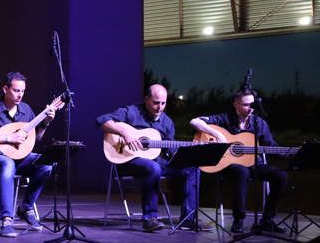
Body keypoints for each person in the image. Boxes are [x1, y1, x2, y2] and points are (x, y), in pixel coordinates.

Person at [97, 84, 200, 232]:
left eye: (163, 103)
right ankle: (150, 219)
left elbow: (169, 151)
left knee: (192, 168)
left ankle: (188, 219)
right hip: (126, 160)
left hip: (155, 162)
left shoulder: (167, 123)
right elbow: (102, 120)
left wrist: (186, 151)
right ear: (146, 99)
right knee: (153, 167)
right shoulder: (132, 112)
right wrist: (125, 133)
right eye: (156, 102)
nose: (160, 107)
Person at [190, 88, 287, 234]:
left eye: (252, 105)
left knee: (281, 176)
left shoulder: (258, 123)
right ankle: (239, 219)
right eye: (246, 105)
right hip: (230, 166)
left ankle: (267, 220)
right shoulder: (224, 118)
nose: (250, 109)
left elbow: (271, 145)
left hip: (255, 164)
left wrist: (288, 153)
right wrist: (217, 134)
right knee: (241, 171)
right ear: (236, 104)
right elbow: (194, 121)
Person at [0, 72, 55, 237]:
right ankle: (6, 218)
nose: (20, 95)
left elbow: (36, 138)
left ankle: (26, 208)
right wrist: (8, 138)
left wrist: (46, 123)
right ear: (5, 88)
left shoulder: (26, 110)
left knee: (46, 164)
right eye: (16, 90)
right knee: (7, 163)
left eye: (22, 91)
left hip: (20, 157)